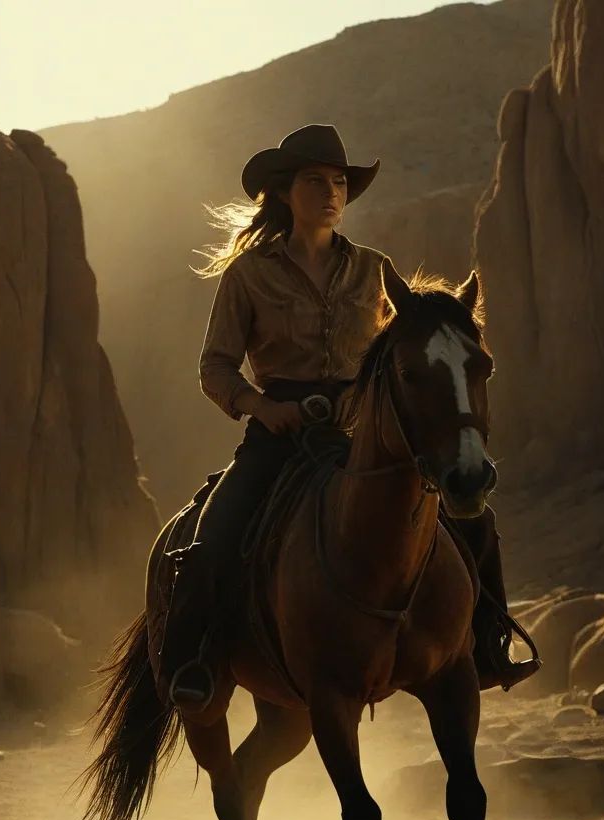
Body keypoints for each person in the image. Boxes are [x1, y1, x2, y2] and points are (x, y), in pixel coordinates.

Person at [159, 124, 537, 711]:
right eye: (317, 181)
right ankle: (194, 663)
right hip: (278, 434)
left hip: (362, 434)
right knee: (217, 531)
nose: (332, 192)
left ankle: (487, 646)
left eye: (339, 182)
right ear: (285, 192)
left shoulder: (373, 269)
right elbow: (216, 369)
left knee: (474, 524)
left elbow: (406, 352)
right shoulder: (248, 275)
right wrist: (264, 406)